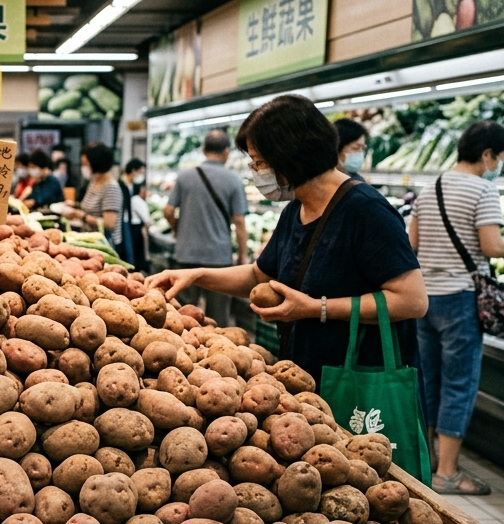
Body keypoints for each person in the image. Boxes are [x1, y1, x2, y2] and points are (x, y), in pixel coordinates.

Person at [149, 94, 428, 385]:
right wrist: (196, 275)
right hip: (307, 377)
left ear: (289, 158)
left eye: (259, 162)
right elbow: (260, 276)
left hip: (359, 384)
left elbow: (412, 300)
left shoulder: (366, 211)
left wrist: (315, 308)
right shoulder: (297, 209)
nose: (256, 172)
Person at [409, 120, 504, 495]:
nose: (500, 165)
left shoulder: (429, 186)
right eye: (501, 158)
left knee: (427, 379)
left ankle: (426, 461)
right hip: (461, 298)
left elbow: (410, 242)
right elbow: (493, 246)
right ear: (487, 155)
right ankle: (448, 473)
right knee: (459, 384)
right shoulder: (483, 190)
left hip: (425, 298)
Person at [162, 130, 249, 326]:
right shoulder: (234, 180)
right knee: (217, 318)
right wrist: (243, 255)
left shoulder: (184, 176)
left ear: (203, 150)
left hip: (186, 255)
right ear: (227, 152)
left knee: (181, 316)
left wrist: (177, 229)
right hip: (218, 260)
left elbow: (168, 211)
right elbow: (239, 221)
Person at [64, 144, 128, 262]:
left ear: (96, 163)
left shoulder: (111, 188)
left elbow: (109, 223)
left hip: (103, 246)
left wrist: (80, 216)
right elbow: (90, 207)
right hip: (89, 241)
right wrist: (74, 205)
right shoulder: (94, 182)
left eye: (85, 163)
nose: (83, 167)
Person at [123, 159, 149, 272]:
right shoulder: (121, 186)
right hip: (124, 225)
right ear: (133, 171)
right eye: (141, 172)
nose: (141, 175)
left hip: (129, 224)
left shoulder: (132, 188)